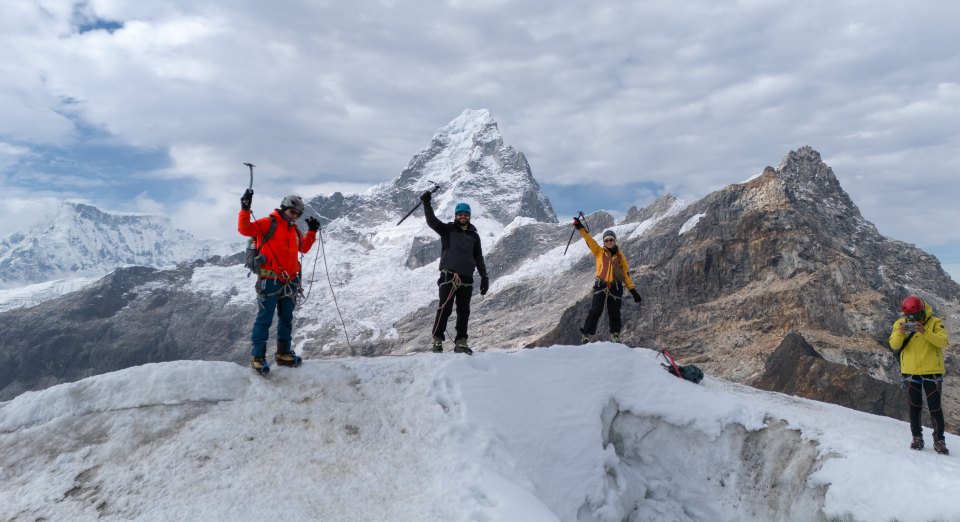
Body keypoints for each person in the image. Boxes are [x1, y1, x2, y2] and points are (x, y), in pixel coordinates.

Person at [238, 189, 320, 373]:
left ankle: (283, 354)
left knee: (286, 319)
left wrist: (312, 231)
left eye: (298, 214)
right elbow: (244, 229)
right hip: (269, 279)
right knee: (264, 319)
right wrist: (245, 208)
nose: (295, 216)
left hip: (290, 281)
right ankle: (258, 358)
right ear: (284, 209)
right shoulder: (268, 223)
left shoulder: (295, 231)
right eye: (293, 212)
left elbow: (303, 248)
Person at [420, 191, 489, 354]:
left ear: (469, 216)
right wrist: (427, 204)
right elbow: (432, 221)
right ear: (456, 216)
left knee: (464, 311)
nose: (463, 216)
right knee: (445, 308)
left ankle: (461, 342)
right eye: (460, 214)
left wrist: (484, 276)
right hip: (448, 276)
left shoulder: (474, 236)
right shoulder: (447, 230)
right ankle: (437, 340)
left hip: (466, 278)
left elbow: (478, 257)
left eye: (465, 214)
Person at [889, 294, 950, 454]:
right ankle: (917, 437)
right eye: (912, 317)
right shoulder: (899, 324)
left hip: (932, 372)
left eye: (918, 316)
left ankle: (939, 440)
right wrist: (901, 333)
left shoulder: (935, 322)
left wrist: (925, 332)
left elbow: (943, 341)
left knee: (935, 408)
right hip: (910, 371)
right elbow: (894, 344)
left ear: (923, 312)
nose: (916, 320)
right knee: (914, 407)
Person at [572, 218, 641, 344]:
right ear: (604, 242)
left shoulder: (621, 257)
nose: (609, 242)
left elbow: (625, 274)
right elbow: (589, 240)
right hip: (601, 285)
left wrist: (633, 290)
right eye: (606, 240)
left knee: (614, 313)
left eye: (611, 240)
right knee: (595, 311)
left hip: (616, 287)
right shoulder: (599, 252)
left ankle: (615, 336)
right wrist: (580, 227)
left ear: (615, 241)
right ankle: (586, 335)